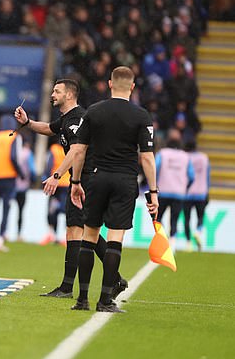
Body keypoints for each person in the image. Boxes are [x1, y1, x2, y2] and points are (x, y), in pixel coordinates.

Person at [15, 79, 126, 300]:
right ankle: (113, 279)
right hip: (85, 179)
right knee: (82, 231)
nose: (53, 94)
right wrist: (27, 122)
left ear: (69, 95)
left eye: (57, 91)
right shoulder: (68, 118)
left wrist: (57, 176)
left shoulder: (77, 118)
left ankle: (70, 287)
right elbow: (48, 128)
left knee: (78, 231)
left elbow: (76, 150)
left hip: (86, 180)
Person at [69, 66, 159, 313]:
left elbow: (78, 150)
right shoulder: (141, 116)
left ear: (110, 84)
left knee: (88, 237)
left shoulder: (94, 112)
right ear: (132, 87)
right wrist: (153, 192)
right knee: (115, 239)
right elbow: (147, 158)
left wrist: (76, 183)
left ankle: (82, 299)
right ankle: (105, 300)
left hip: (97, 178)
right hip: (124, 180)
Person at [0, 115, 25, 252]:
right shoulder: (14, 137)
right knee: (6, 208)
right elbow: (13, 157)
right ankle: (0, 238)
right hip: (8, 177)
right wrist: (20, 173)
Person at [156, 130, 194, 250]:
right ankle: (172, 243)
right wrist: (185, 187)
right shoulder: (186, 156)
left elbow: (155, 169)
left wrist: (154, 185)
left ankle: (161, 240)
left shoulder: (162, 153)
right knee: (174, 219)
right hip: (179, 193)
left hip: (163, 191)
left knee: (158, 217)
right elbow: (192, 176)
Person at [183, 141, 210, 251]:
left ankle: (188, 243)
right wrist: (207, 191)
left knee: (187, 218)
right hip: (201, 192)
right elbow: (207, 176)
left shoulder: (184, 157)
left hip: (187, 193)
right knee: (200, 216)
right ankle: (198, 231)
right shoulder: (204, 158)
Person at [41, 143, 70, 245]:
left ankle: (52, 234)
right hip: (66, 185)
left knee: (53, 210)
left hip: (56, 184)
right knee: (65, 211)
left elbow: (48, 166)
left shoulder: (54, 149)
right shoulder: (72, 149)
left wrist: (45, 179)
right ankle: (63, 236)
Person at [14, 138, 35, 242]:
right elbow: (32, 170)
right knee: (20, 211)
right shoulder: (28, 154)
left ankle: (3, 234)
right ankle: (18, 234)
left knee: (7, 209)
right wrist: (33, 180)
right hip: (23, 186)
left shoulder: (16, 152)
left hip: (12, 185)